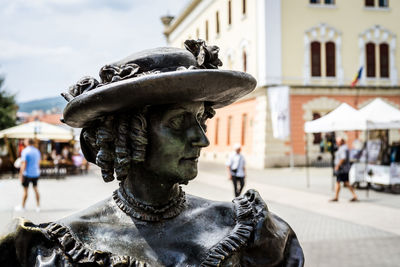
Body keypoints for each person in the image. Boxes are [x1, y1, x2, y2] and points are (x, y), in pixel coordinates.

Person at [0, 40, 304, 266]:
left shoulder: (248, 230)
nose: (201, 140)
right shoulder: (53, 250)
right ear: (129, 135)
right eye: (177, 123)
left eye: (200, 120)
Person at [14, 139, 41, 212]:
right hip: (35, 173)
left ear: (27, 142)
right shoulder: (37, 151)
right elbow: (38, 163)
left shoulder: (25, 151)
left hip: (27, 173)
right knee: (36, 189)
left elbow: (24, 164)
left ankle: (22, 206)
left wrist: (20, 175)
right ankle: (38, 206)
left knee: (25, 191)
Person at [330, 137, 358, 202]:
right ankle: (353, 195)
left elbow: (343, 158)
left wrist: (338, 165)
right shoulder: (343, 148)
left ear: (341, 142)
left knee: (340, 182)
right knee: (344, 182)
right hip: (343, 169)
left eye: (337, 142)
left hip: (342, 169)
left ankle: (336, 197)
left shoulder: (343, 149)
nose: (336, 143)